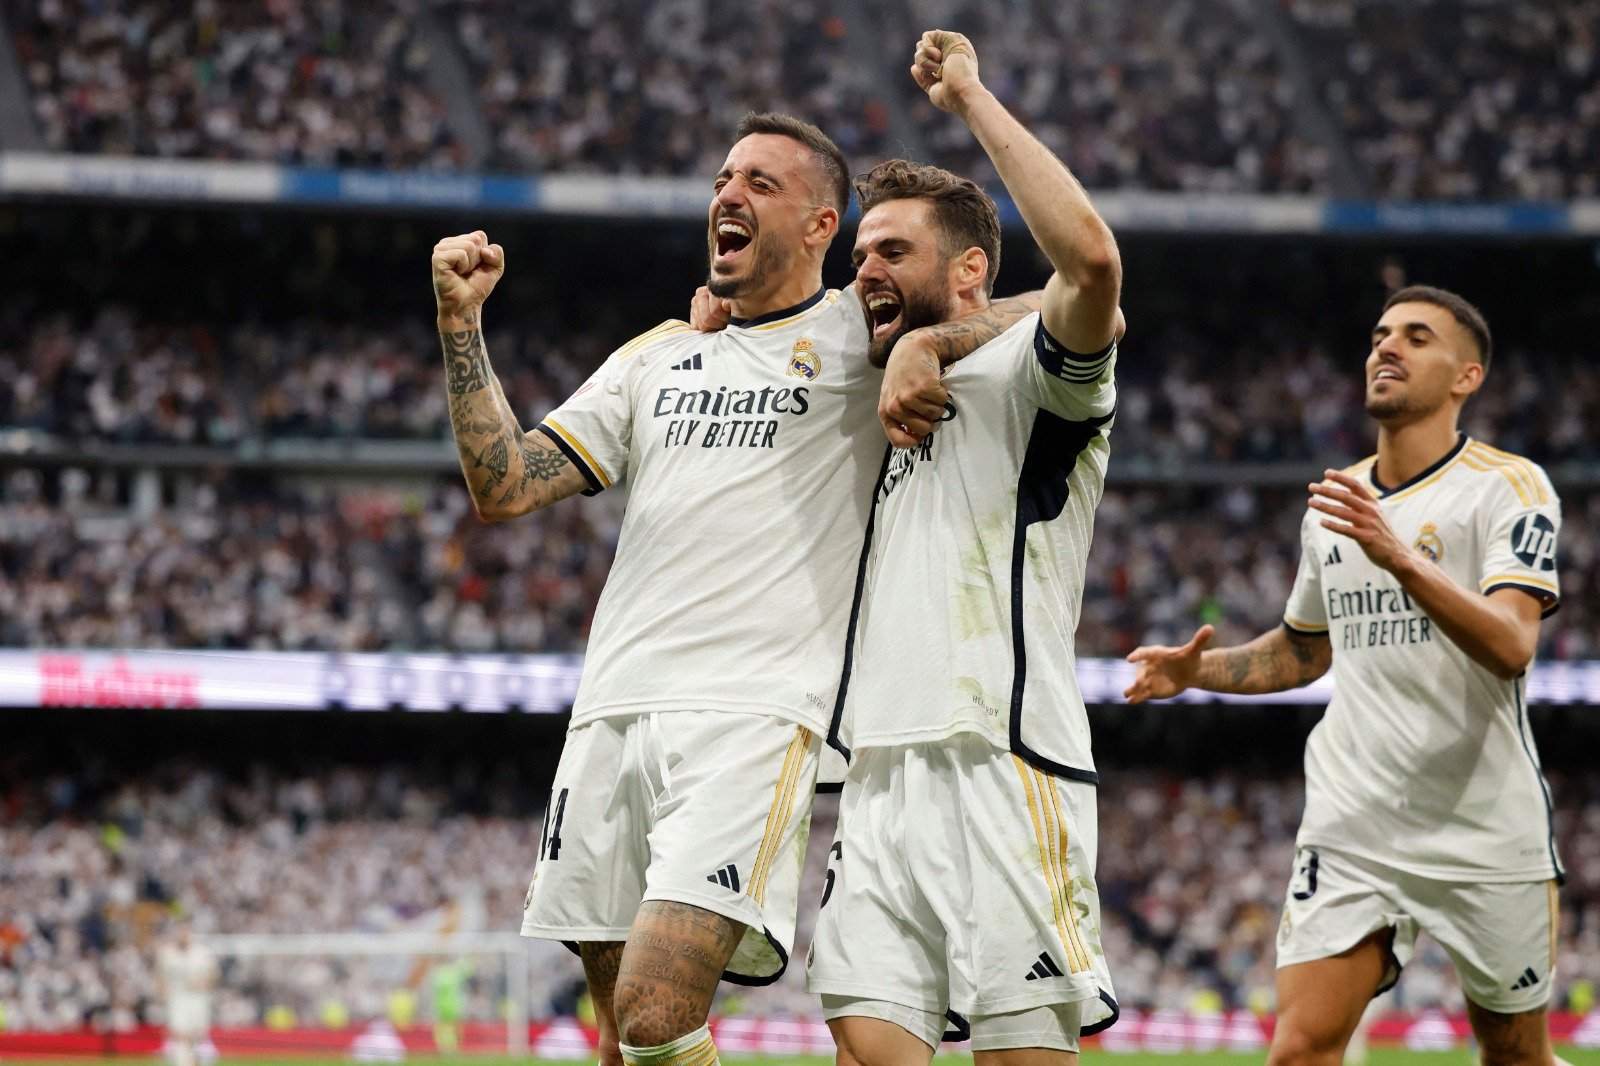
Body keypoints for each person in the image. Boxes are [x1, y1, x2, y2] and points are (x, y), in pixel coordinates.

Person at [431, 115, 1039, 1066]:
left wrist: (930, 346)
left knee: (656, 1016)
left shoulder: (858, 329)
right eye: (723, 177)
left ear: (820, 226)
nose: (728, 193)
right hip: (610, 710)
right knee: (623, 1045)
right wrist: (460, 324)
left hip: (753, 714)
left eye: (760, 182)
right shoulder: (657, 354)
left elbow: (1077, 304)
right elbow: (504, 485)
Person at [1124, 286, 1566, 1066]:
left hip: (1484, 826)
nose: (1386, 348)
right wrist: (1198, 673)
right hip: (1354, 822)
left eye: (1417, 338)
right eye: (1379, 335)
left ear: (1467, 376)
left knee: (1517, 1059)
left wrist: (1399, 557)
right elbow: (1303, 651)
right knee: (1298, 1050)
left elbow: (1510, 644)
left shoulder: (1510, 487)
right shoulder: (1339, 503)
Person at [805, 30, 1123, 1066]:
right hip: (878, 771)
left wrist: (973, 101)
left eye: (892, 251)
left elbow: (1092, 266)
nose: (866, 272)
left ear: (971, 268)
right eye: (859, 256)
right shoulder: (862, 389)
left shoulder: (1039, 381)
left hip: (1004, 758)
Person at [156, 923, 217, 1066]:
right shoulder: (167, 953)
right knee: (180, 1035)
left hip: (198, 999)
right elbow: (160, 976)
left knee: (196, 1036)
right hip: (177, 999)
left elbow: (213, 975)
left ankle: (196, 1062)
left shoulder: (202, 953)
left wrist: (204, 982)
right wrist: (163, 995)